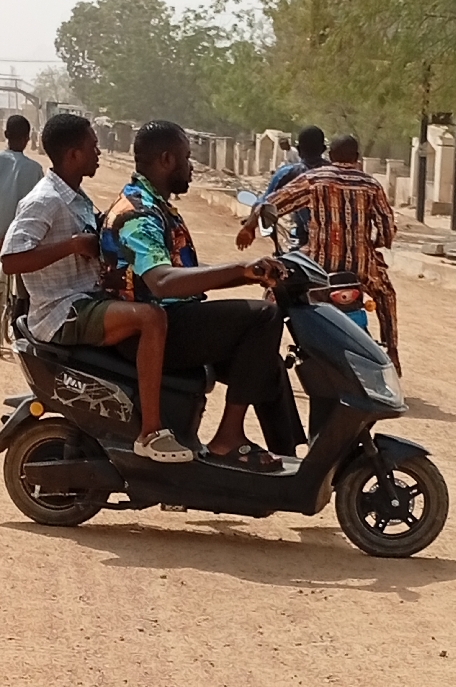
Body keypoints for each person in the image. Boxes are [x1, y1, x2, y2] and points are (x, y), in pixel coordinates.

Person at [100, 119, 304, 472]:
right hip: (151, 332)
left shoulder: (155, 205)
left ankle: (293, 461)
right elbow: (163, 282)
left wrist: (246, 274)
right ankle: (228, 439)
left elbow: (182, 273)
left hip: (173, 319)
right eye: (186, 157)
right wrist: (239, 268)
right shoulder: (138, 213)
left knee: (266, 360)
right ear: (167, 159)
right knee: (264, 317)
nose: (191, 165)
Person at [0, 113, 193, 464]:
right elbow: (11, 260)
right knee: (151, 319)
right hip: (63, 310)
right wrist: (72, 245)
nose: (99, 152)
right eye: (93, 147)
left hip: (89, 300)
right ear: (73, 155)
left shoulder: (76, 197)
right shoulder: (45, 199)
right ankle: (150, 433)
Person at [238, 134, 401, 376]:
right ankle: (392, 352)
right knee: (386, 295)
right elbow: (387, 228)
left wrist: (249, 227)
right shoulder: (371, 184)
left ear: (331, 155)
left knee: (274, 292)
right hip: (361, 267)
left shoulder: (314, 179)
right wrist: (375, 244)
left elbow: (271, 204)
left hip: (318, 267)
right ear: (357, 157)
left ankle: (263, 354)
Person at [0, 116, 44, 337]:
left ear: (5, 135)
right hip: (18, 242)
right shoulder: (35, 169)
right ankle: (20, 319)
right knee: (24, 282)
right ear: (28, 139)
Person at [259, 126, 329, 248]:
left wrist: (250, 223)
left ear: (299, 149)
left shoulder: (291, 173)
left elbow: (266, 202)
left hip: (307, 237)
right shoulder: (336, 174)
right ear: (323, 149)